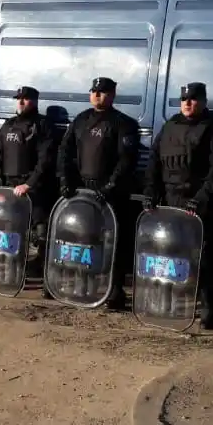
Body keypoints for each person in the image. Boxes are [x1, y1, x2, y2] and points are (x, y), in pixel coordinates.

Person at [143, 81, 213, 327]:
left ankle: (209, 307)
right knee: (168, 255)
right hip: (170, 201)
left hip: (198, 203)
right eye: (184, 99)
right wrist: (150, 192)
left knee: (203, 258)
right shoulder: (170, 126)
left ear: (203, 101)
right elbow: (154, 163)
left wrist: (202, 198)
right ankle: (168, 304)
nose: (187, 103)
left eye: (193, 99)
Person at [58, 76, 140, 310]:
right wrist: (66, 181)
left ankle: (114, 291)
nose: (97, 95)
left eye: (103, 92)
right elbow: (65, 152)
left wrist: (110, 186)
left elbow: (126, 160)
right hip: (82, 190)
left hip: (110, 193)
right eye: (94, 91)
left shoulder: (123, 123)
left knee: (113, 243)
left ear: (112, 95)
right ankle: (83, 286)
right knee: (83, 240)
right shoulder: (81, 120)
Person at [0, 85, 59, 287]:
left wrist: (28, 184)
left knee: (41, 234)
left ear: (35, 101)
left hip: (34, 189)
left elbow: (45, 160)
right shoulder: (8, 124)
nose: (20, 102)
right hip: (9, 189)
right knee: (9, 231)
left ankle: (44, 277)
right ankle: (10, 269)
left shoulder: (43, 125)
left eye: (25, 99)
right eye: (18, 98)